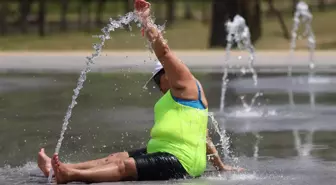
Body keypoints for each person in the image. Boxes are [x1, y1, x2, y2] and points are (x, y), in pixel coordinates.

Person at [37, 0, 243, 183]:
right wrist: (221, 167)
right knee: (115, 158)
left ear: (166, 74)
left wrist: (146, 21)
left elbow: (164, 51)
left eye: (156, 80)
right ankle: (58, 170)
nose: (157, 86)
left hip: (182, 161)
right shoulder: (175, 97)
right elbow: (204, 136)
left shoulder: (186, 84)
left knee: (124, 168)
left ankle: (70, 176)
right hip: (164, 150)